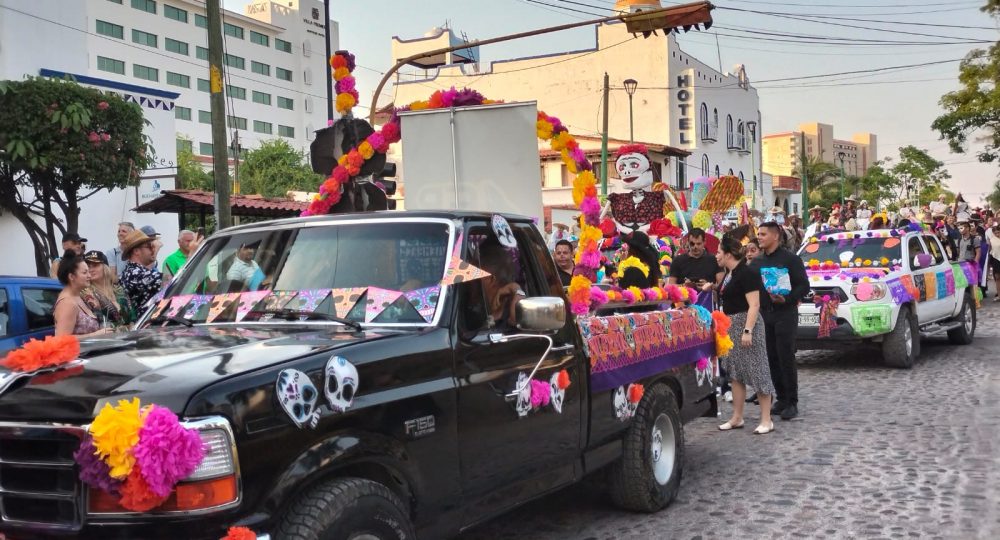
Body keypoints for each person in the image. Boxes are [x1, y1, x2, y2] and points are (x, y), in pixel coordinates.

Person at [750, 222, 809, 421]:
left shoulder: (791, 260)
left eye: (763, 234)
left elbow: (804, 285)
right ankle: (781, 398)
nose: (759, 237)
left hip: (786, 313)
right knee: (771, 358)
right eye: (758, 234)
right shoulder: (757, 262)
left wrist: (789, 298)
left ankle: (792, 401)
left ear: (775, 236)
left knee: (785, 356)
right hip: (766, 314)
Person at [716, 237, 775, 435]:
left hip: (747, 324)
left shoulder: (747, 273)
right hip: (732, 325)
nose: (716, 256)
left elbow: (754, 305)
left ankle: (767, 419)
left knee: (758, 369)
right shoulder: (729, 274)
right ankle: (737, 417)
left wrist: (748, 330)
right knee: (735, 372)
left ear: (728, 254)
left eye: (719, 252)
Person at [53, 252, 111, 338]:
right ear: (71, 277)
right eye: (84, 273)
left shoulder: (78, 296)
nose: (89, 276)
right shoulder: (67, 303)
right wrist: (96, 335)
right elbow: (61, 339)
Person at [478, 239, 526, 328]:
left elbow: (519, 321)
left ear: (491, 279)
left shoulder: (509, 311)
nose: (469, 280)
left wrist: (517, 290)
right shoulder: (472, 307)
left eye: (476, 274)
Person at [83, 250, 134, 328]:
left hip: (130, 335)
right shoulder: (86, 293)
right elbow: (97, 322)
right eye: (88, 266)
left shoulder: (119, 289)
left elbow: (132, 315)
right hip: (106, 337)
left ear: (105, 267)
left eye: (95, 265)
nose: (91, 269)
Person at [667, 228, 722, 293]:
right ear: (688, 242)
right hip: (684, 300)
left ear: (704, 242)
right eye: (692, 244)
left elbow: (721, 286)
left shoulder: (714, 260)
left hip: (707, 299)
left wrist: (709, 285)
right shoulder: (678, 260)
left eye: (698, 244)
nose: (695, 247)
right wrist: (684, 286)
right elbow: (670, 286)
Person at [119, 229, 163, 311]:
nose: (152, 249)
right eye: (150, 247)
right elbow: (170, 280)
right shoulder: (133, 273)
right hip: (145, 322)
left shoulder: (133, 271)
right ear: (136, 251)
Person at [986, 220, 1000, 301]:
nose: (997, 234)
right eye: (996, 233)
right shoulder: (991, 240)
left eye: (998, 232)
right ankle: (999, 295)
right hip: (996, 260)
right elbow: (990, 251)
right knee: (997, 278)